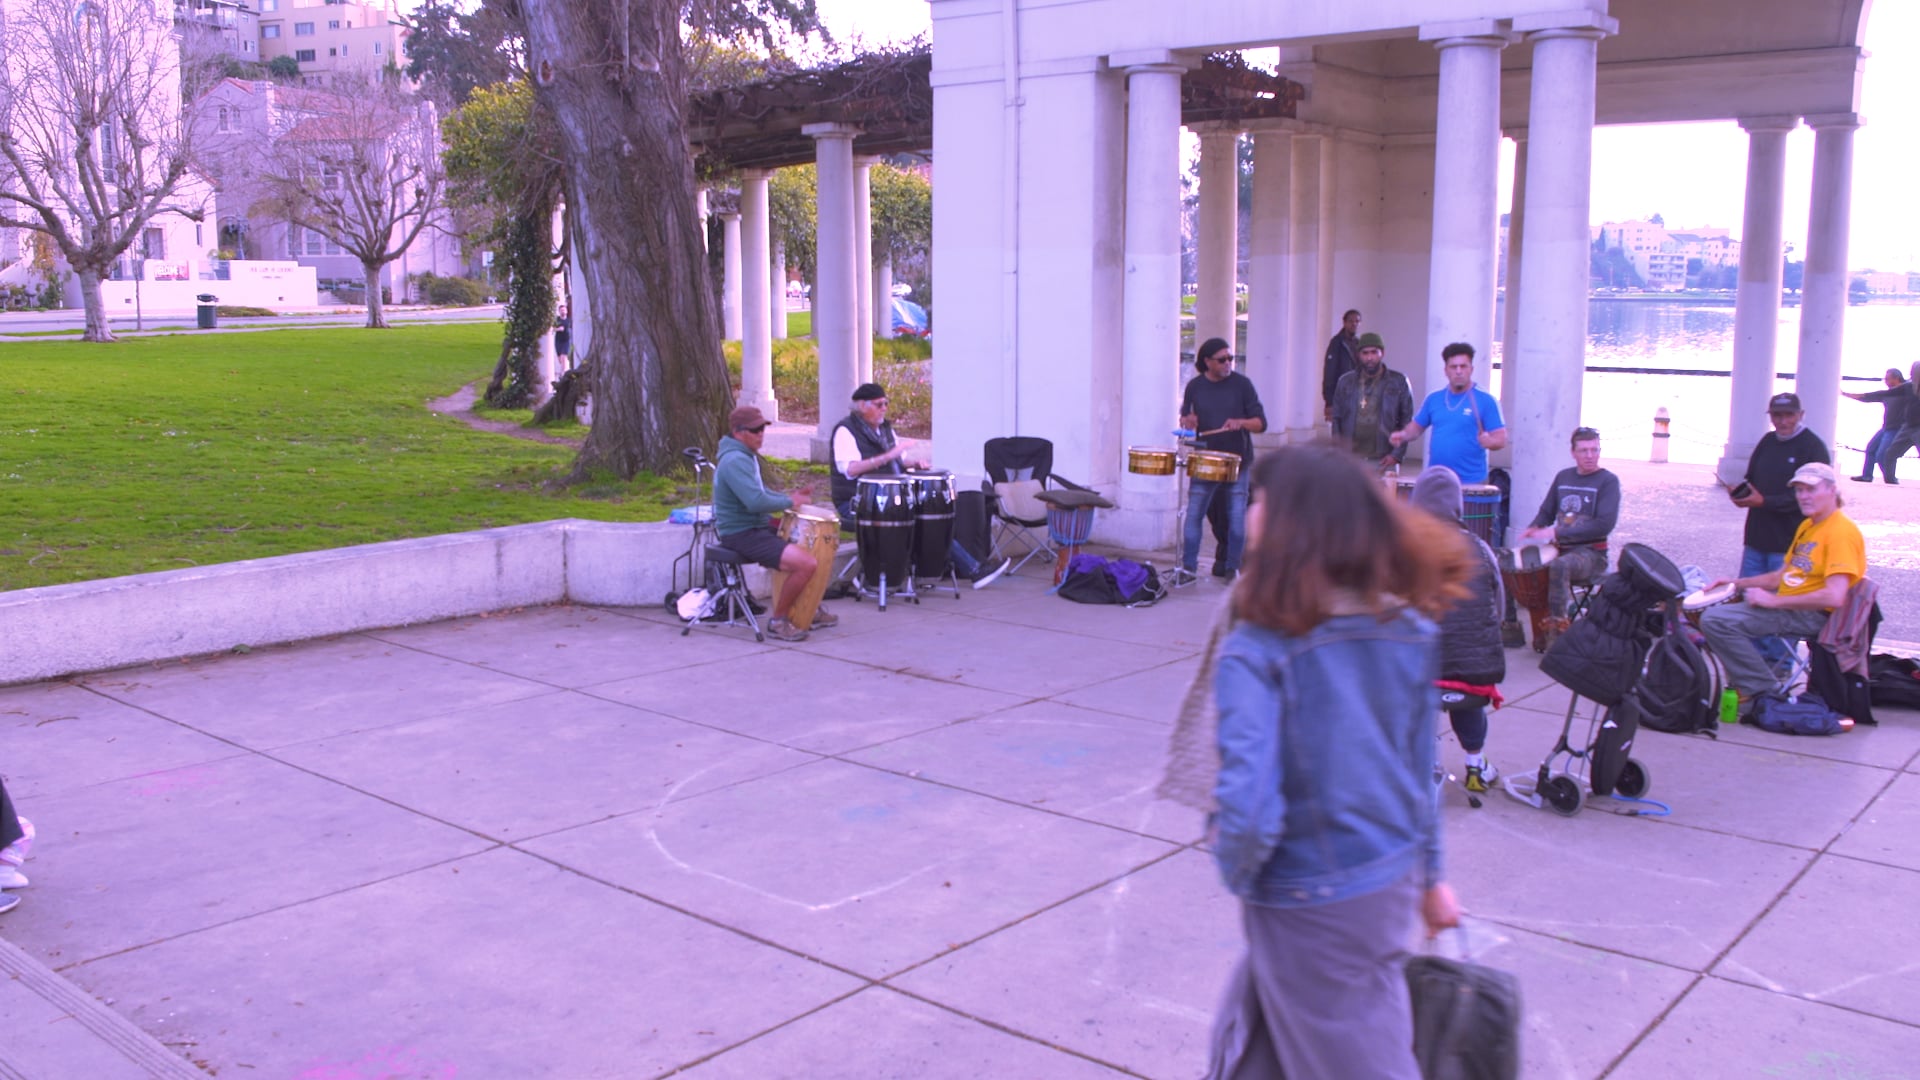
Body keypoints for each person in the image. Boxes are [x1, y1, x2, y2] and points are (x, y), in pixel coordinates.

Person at [1208, 445, 1464, 1079]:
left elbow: (1248, 809)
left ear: (1300, 522)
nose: (1253, 511)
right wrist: (1429, 878)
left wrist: (1238, 868)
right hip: (1385, 880)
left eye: (1264, 501)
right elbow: (1414, 770)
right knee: (1253, 1051)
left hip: (1307, 900)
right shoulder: (1408, 629)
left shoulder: (1258, 648)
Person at [1701, 463, 1864, 714]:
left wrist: (1772, 602)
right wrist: (1736, 583)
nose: (1803, 496)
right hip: (1792, 604)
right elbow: (1781, 577)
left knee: (1716, 620)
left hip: (1817, 616)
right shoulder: (1808, 526)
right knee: (1715, 613)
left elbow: (1835, 596)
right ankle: (1756, 683)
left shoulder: (1841, 532)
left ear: (1832, 490)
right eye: (1799, 490)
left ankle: (1761, 689)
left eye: (1811, 489)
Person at [829, 382, 1008, 589]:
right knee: (920, 520)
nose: (884, 408)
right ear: (862, 406)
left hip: (890, 500)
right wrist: (887, 456)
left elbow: (897, 460)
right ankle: (971, 569)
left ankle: (949, 572)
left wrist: (913, 464)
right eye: (879, 405)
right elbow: (850, 469)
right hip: (858, 503)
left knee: (931, 517)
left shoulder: (885, 429)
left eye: (886, 403)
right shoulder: (845, 431)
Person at [1410, 466, 1507, 795]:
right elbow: (1500, 608)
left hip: (1419, 675)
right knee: (1468, 695)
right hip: (1473, 676)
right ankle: (1475, 765)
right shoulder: (1481, 549)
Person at [713, 405, 836, 642]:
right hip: (741, 533)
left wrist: (789, 497)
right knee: (806, 564)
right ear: (738, 432)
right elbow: (754, 501)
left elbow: (758, 493)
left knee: (812, 545)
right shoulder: (735, 460)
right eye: (755, 430)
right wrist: (790, 500)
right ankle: (778, 622)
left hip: (755, 526)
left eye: (763, 429)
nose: (761, 434)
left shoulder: (744, 455)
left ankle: (809, 608)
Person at [1517, 427, 1621, 643]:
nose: (1590, 456)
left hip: (1591, 554)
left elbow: (1604, 526)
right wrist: (1533, 528)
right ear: (1573, 452)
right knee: (1514, 563)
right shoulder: (1563, 477)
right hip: (1560, 549)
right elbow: (1546, 512)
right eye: (1584, 451)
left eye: (1595, 450)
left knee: (1559, 566)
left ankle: (1557, 634)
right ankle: (1511, 626)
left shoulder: (1608, 481)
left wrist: (1555, 531)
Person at [1179, 337, 1267, 581]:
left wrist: (1240, 422)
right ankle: (1188, 568)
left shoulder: (1243, 385)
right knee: (1194, 515)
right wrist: (1188, 421)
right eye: (1222, 360)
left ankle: (1232, 568)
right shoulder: (1195, 387)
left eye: (1231, 358)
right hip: (1205, 460)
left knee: (1238, 520)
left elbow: (1261, 424)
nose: (1228, 363)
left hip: (1237, 461)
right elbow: (1186, 418)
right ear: (1207, 362)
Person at [1729, 392, 1831, 582]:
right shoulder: (1767, 441)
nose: (1783, 421)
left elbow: (1813, 497)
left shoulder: (1813, 447)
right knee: (1747, 596)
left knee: (1780, 600)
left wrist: (1764, 502)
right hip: (1755, 538)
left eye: (1789, 415)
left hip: (1789, 543)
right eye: (1777, 416)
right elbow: (1751, 479)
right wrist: (1740, 495)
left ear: (1801, 415)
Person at [1388, 342, 1507, 484]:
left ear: (1471, 369)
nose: (1458, 371)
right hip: (1437, 480)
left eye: (1463, 366)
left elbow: (1501, 439)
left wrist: (1490, 442)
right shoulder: (1434, 399)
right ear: (1445, 370)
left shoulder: (1486, 400)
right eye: (1453, 367)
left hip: (1471, 482)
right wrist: (1403, 435)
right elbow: (1416, 427)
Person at [1330, 331, 1415, 470]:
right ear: (1359, 355)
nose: (1370, 358)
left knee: (1384, 492)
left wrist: (1396, 455)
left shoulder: (1398, 381)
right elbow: (1337, 419)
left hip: (1384, 458)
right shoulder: (1345, 381)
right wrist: (1338, 452)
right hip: (1351, 458)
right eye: (1365, 353)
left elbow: (1407, 420)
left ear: (1382, 353)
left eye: (1374, 352)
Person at [1844, 367, 1909, 484]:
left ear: (1896, 378)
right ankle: (1867, 476)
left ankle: (1891, 479)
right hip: (1886, 428)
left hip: (1898, 429)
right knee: (1871, 449)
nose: (1885, 381)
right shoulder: (1887, 394)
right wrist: (1844, 394)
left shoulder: (1906, 391)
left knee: (1882, 455)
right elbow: (1866, 397)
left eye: (1887, 379)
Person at [1873, 361, 1920, 484]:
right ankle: (1891, 482)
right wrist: (1855, 395)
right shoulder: (1909, 388)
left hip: (1909, 428)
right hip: (1907, 427)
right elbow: (1884, 394)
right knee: (1889, 454)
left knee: (1887, 454)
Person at [1322, 309, 1362, 421]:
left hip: (1356, 395)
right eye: (1351, 321)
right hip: (1340, 394)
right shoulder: (1337, 343)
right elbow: (1329, 372)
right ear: (1344, 322)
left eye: (1357, 321)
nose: (1354, 324)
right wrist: (1329, 401)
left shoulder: (1359, 344)